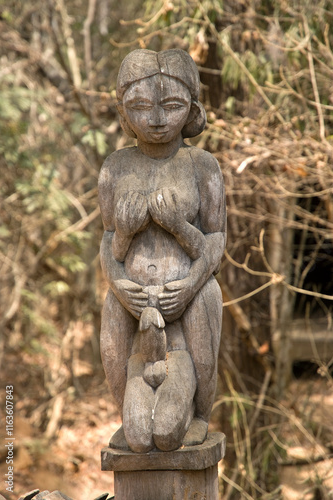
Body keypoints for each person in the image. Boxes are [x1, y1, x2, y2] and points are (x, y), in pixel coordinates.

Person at [99, 48, 226, 453]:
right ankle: (126, 407)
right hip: (132, 297)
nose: (155, 120)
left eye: (171, 106)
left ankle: (202, 413)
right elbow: (108, 241)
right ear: (124, 110)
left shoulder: (201, 164)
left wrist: (188, 281)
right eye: (139, 107)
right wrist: (120, 283)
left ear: (191, 107)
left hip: (188, 294)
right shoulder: (115, 167)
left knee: (208, 297)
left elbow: (217, 239)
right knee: (109, 311)